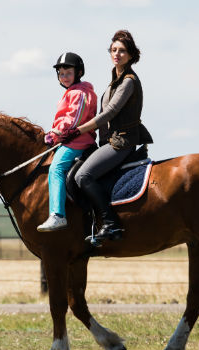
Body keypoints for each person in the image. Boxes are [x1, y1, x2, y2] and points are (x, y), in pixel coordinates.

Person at [63, 30, 153, 242]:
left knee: (83, 176)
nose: (117, 54)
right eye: (113, 50)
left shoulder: (128, 81)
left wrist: (78, 130)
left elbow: (110, 113)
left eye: (122, 51)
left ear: (131, 55)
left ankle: (111, 224)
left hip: (122, 142)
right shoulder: (114, 80)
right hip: (107, 142)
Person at [37, 52, 98, 232]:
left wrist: (56, 132)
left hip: (77, 141)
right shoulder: (73, 92)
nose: (64, 77)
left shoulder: (79, 92)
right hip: (70, 139)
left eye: (68, 73)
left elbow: (74, 119)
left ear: (78, 73)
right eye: (61, 74)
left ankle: (58, 215)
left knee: (56, 168)